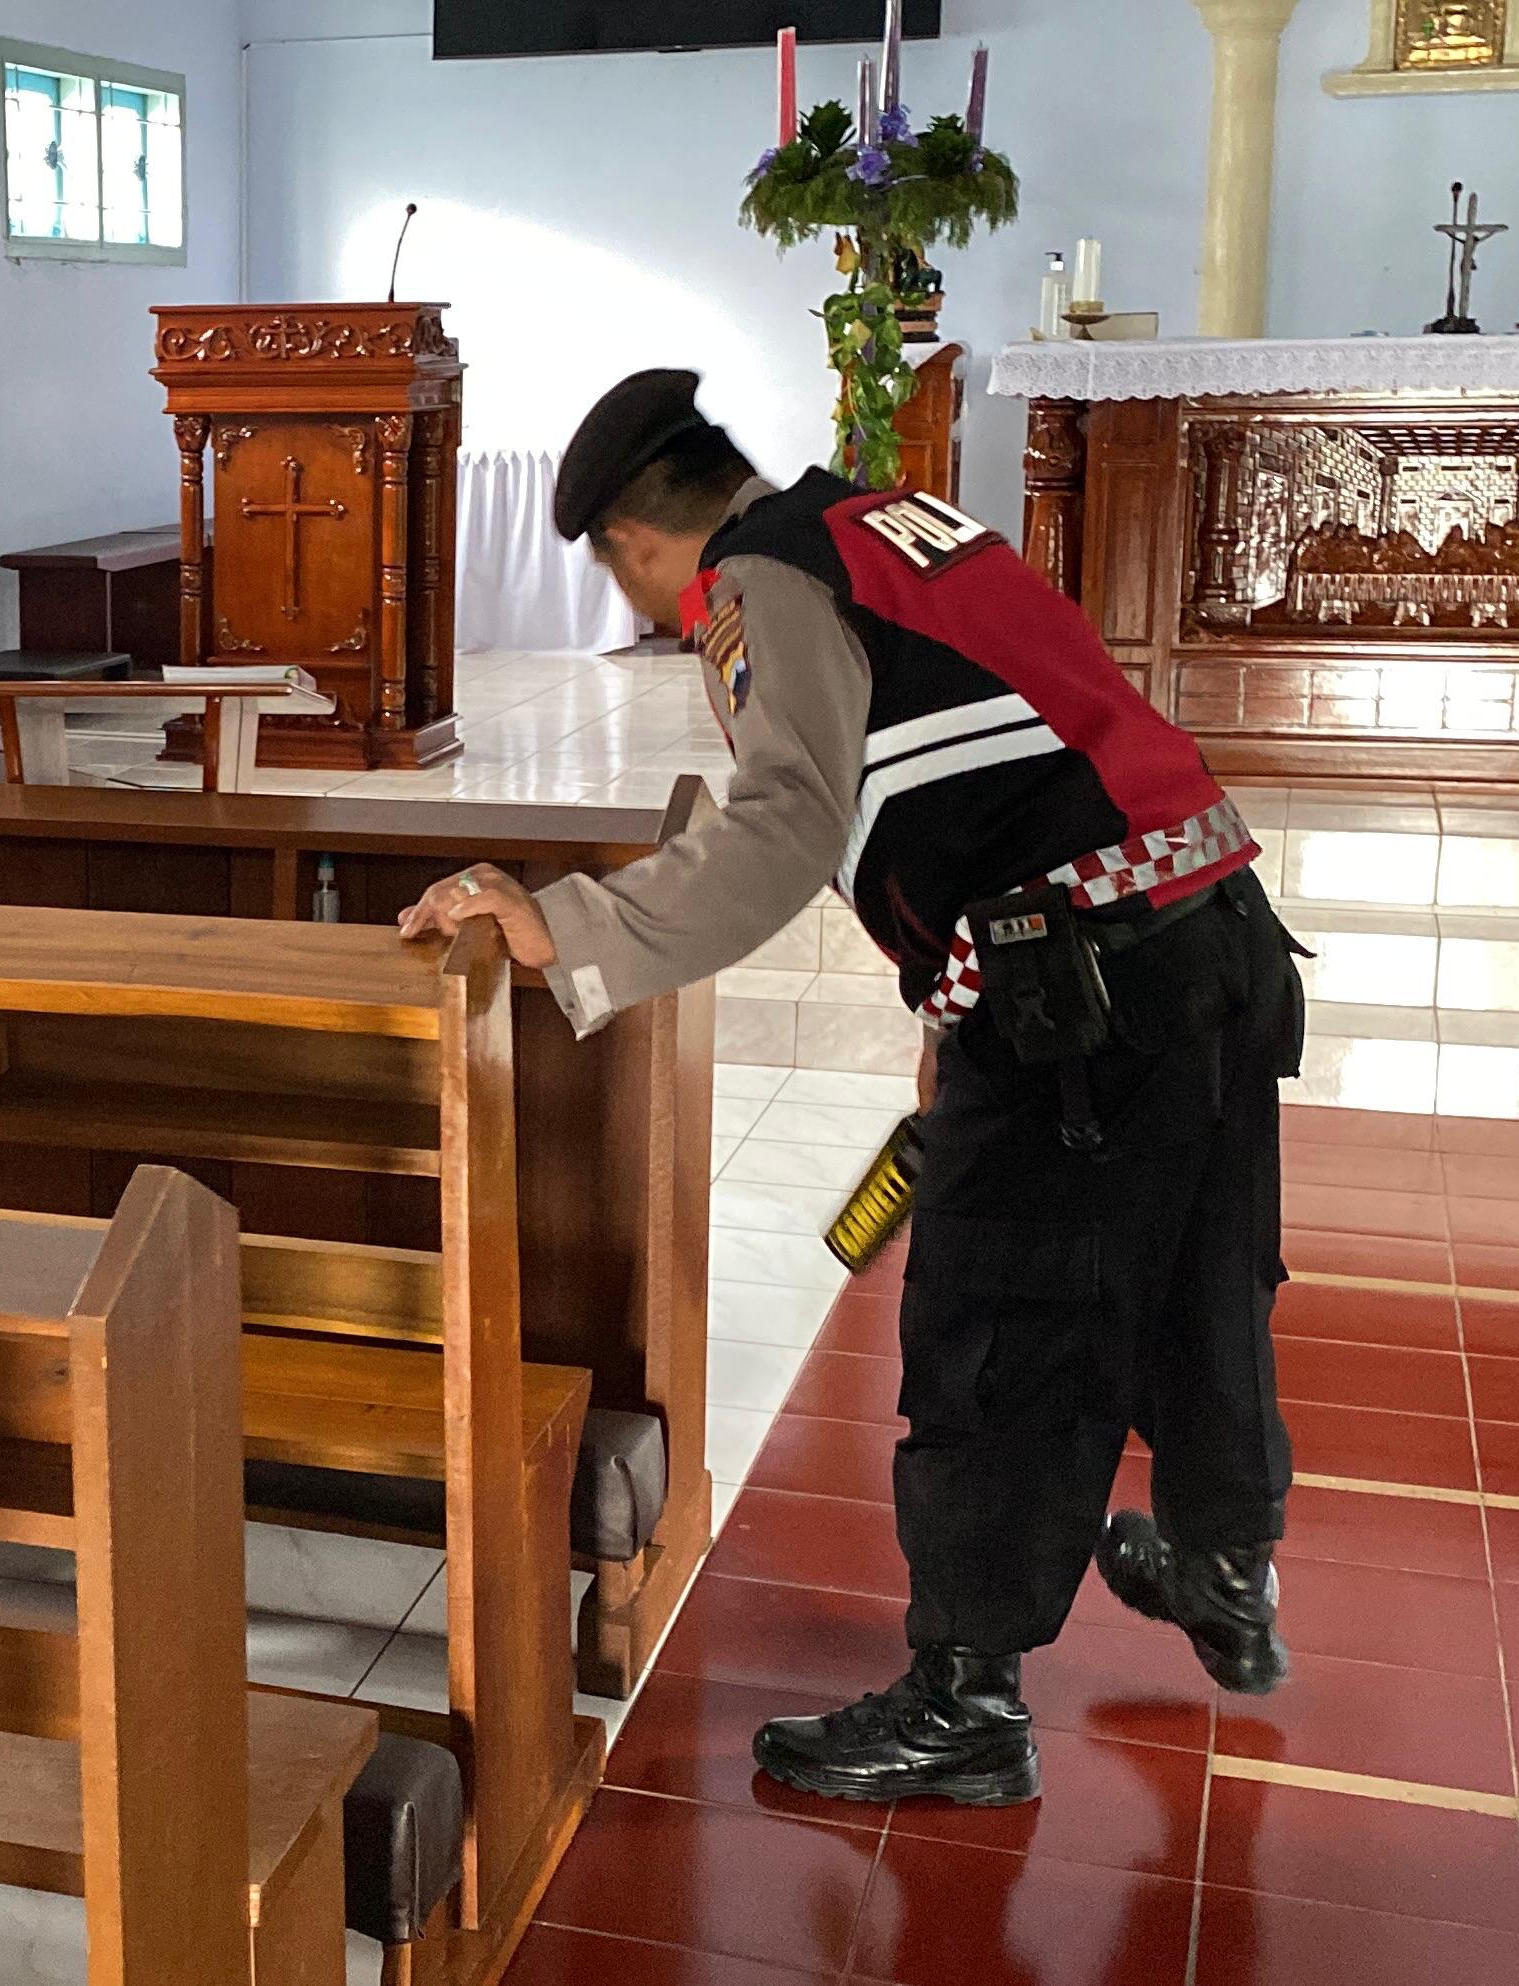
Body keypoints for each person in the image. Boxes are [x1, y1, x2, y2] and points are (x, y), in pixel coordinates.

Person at [400, 370, 1305, 1808]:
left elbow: (782, 823)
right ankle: (1222, 1560)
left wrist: (563, 923)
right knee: (1203, 1273)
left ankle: (966, 1700)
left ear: (640, 542)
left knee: (998, 1322)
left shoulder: (764, 583)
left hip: (1081, 992)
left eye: (628, 577)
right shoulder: (887, 517)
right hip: (1208, 936)